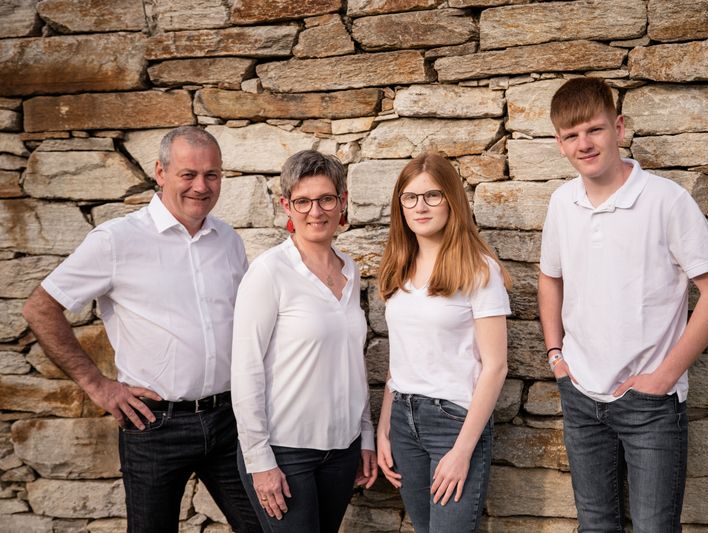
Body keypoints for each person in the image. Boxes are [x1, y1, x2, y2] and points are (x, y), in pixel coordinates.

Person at [21, 126, 261, 532]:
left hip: (228, 420)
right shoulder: (117, 240)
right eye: (188, 174)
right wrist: (98, 385)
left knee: (266, 525)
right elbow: (40, 308)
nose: (201, 186)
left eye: (212, 175)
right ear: (160, 172)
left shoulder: (228, 240)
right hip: (155, 426)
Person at [538, 77, 708, 531]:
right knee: (595, 524)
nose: (584, 144)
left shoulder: (666, 201)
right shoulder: (561, 203)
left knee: (654, 527)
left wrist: (663, 377)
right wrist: (556, 356)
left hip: (650, 404)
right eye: (571, 136)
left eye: (595, 130)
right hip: (581, 394)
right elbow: (550, 279)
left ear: (619, 128)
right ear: (560, 144)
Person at [231, 150, 378, 533]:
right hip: (285, 451)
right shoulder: (269, 273)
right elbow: (245, 370)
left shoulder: (350, 269)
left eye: (326, 199)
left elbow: (352, 361)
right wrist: (259, 461)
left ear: (342, 202)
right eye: (303, 201)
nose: (316, 211)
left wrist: (365, 435)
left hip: (341, 450)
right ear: (287, 206)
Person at [375, 153, 511, 533]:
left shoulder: (479, 269)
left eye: (433, 196)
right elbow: (399, 359)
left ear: (452, 199)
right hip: (403, 420)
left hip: (454, 423)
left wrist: (462, 451)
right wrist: (384, 428)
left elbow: (496, 366)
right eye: (410, 197)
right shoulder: (398, 266)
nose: (421, 206)